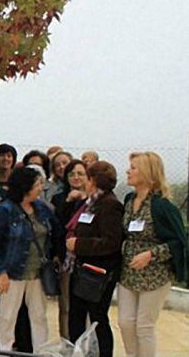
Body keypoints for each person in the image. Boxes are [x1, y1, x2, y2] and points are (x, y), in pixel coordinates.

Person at [118, 151, 187, 357]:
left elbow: (178, 242)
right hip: (129, 274)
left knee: (144, 326)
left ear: (148, 173)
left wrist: (151, 254)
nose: (128, 171)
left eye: (133, 168)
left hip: (155, 275)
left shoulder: (163, 206)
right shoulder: (129, 200)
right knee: (125, 322)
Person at [0, 167, 58, 352]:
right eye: (38, 184)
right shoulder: (5, 210)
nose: (41, 188)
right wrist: (0, 272)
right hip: (12, 273)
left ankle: (41, 352)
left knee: (39, 317)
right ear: (26, 186)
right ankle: (4, 352)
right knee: (7, 318)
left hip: (38, 273)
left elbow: (54, 234)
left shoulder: (42, 209)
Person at [64, 161, 124, 357]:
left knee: (97, 319)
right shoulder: (91, 202)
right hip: (82, 270)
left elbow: (111, 242)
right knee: (76, 318)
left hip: (97, 274)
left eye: (87, 178)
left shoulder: (110, 205)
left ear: (94, 180)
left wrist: (79, 244)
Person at [51, 158, 88, 339]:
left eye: (81, 173)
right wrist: (67, 202)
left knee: (86, 308)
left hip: (87, 260)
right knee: (65, 305)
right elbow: (58, 226)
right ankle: (66, 342)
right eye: (72, 174)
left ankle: (86, 346)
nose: (76, 177)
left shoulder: (94, 199)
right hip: (66, 259)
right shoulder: (58, 198)